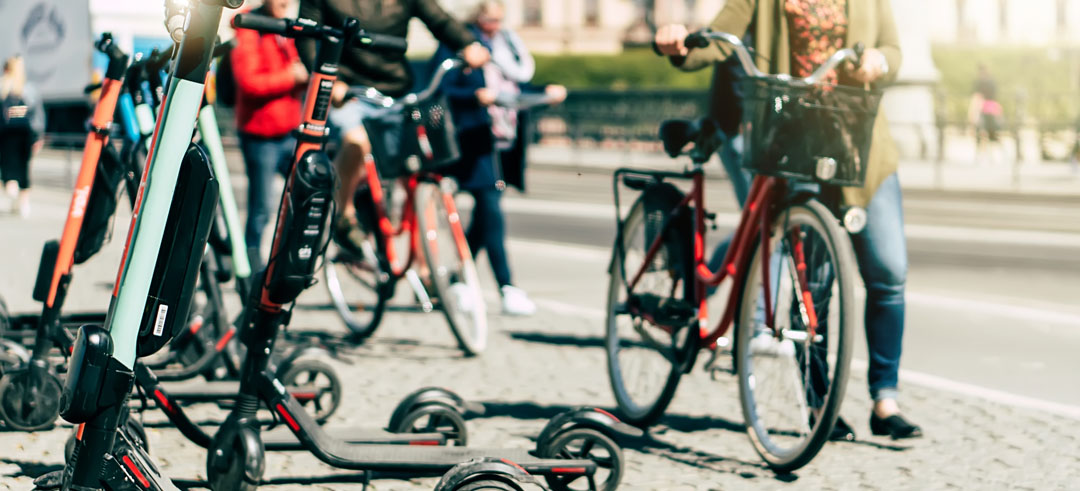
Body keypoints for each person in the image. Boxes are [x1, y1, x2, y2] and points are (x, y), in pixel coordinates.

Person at [656, 0, 922, 440]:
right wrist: (680, 46)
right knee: (812, 282)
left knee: (889, 271)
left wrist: (880, 61)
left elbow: (891, 49)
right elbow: (721, 41)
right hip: (798, 144)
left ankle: (885, 399)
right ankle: (819, 403)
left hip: (862, 145)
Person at [296, 0, 490, 256]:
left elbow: (440, 21)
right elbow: (307, 37)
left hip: (395, 89)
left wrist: (468, 44)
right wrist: (329, 78)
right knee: (356, 141)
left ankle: (426, 268)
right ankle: (344, 215)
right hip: (350, 91)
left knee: (417, 174)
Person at [430, 0, 565, 316]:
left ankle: (458, 279)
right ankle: (507, 287)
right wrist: (473, 97)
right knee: (490, 205)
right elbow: (440, 87)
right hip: (472, 137)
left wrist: (546, 91)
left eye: (499, 19)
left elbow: (513, 86)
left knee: (485, 213)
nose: (495, 25)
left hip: (503, 137)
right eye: (489, 19)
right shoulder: (458, 41)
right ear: (477, 17)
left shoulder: (506, 44)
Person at [231, 0, 307, 267]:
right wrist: (291, 77)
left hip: (289, 131)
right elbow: (249, 81)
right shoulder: (250, 28)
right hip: (260, 134)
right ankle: (250, 265)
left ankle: (287, 259)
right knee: (261, 207)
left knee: (302, 196)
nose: (285, 3)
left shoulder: (285, 28)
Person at [0, 55, 45, 218]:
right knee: (25, 168)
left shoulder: (3, 87)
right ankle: (23, 203)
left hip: (6, 135)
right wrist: (38, 136)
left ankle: (13, 192)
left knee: (8, 167)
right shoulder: (29, 89)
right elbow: (37, 115)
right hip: (26, 134)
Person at [969, 63, 1003, 165]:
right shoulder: (991, 82)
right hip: (991, 109)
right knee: (991, 134)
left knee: (982, 133)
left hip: (984, 109)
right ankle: (990, 156)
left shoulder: (980, 83)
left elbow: (977, 98)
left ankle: (982, 156)